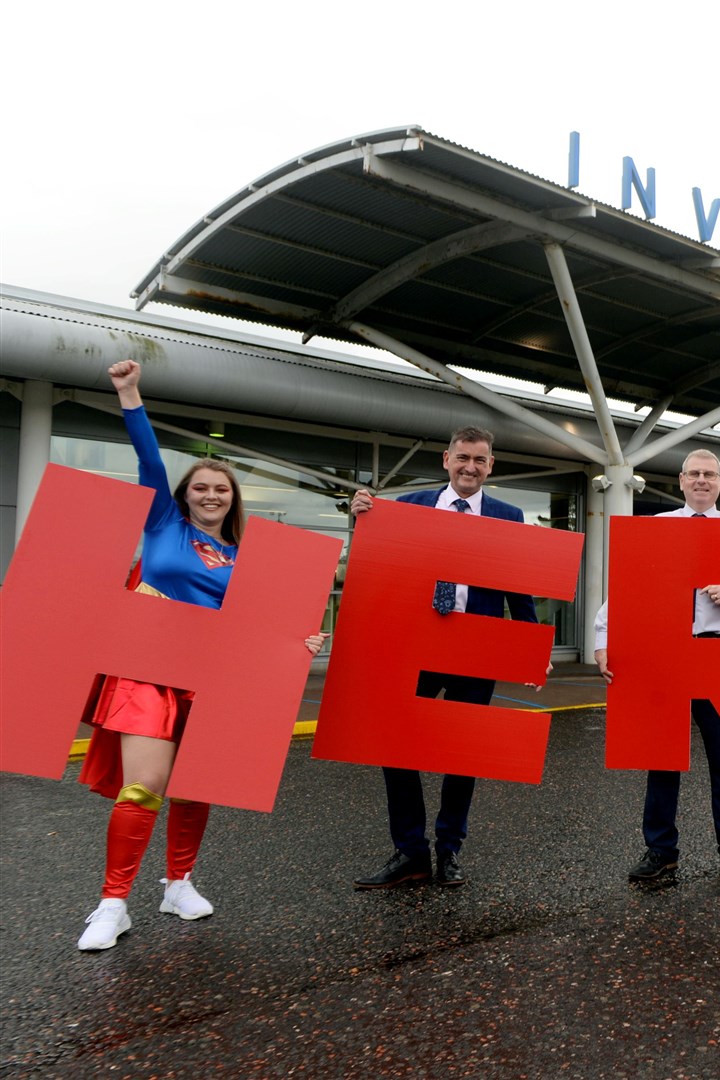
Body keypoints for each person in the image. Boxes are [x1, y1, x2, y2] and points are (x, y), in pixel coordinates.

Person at [76, 359, 326, 951]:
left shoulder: (247, 559)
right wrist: (130, 394)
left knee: (197, 783)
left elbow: (269, 625)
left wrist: (301, 642)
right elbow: (148, 460)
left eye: (222, 489)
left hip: (213, 679)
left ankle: (178, 882)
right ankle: (113, 903)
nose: (211, 494)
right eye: (202, 486)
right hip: (148, 671)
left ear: (233, 500)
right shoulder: (163, 523)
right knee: (143, 786)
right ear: (185, 494)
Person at [349, 426, 543, 890]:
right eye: (463, 458)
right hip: (414, 647)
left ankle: (449, 849)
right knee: (396, 748)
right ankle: (411, 853)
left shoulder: (508, 517)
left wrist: (530, 648)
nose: (470, 467)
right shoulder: (409, 508)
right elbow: (378, 570)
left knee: (463, 753)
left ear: (490, 465)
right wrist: (363, 521)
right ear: (446, 459)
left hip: (475, 649)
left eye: (479, 460)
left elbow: (520, 588)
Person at [593, 449, 720, 886]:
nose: (702, 480)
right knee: (662, 757)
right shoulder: (658, 529)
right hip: (665, 655)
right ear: (682, 480)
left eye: (710, 474)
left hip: (718, 656)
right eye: (695, 474)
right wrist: (603, 638)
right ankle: (660, 851)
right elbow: (628, 586)